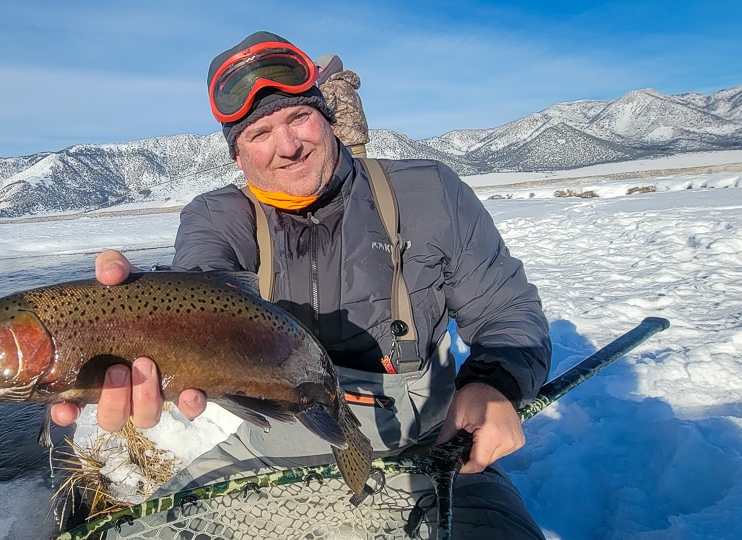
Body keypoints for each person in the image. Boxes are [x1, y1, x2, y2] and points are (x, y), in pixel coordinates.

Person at [51, 31, 551, 539]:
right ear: (237, 154)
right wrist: (121, 319)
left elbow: (507, 313)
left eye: (298, 117)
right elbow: (199, 291)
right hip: (266, 454)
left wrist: (494, 384)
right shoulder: (217, 217)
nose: (287, 147)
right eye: (259, 133)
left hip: (431, 448)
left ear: (327, 116)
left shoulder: (429, 193)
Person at [315, 53, 370, 157]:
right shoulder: (349, 87)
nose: (316, 72)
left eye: (318, 68)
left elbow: (320, 113)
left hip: (344, 147)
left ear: (328, 68)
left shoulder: (330, 86)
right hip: (359, 147)